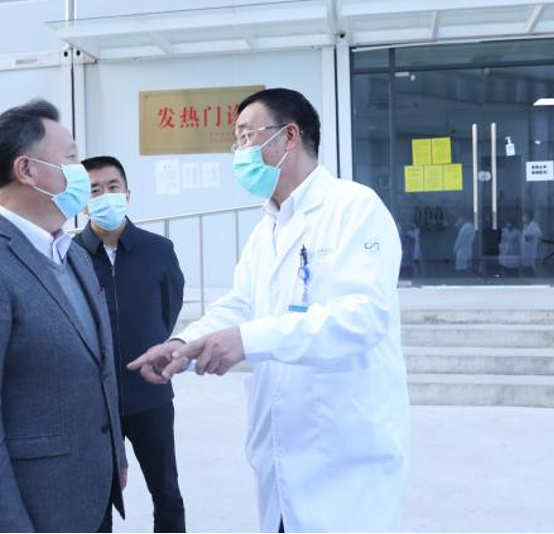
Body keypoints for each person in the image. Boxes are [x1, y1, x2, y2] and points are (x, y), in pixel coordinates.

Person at [126, 88, 409, 532]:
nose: (238, 151)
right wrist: (183, 344)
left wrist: (248, 340)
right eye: (236, 140)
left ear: (288, 136)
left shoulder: (354, 208)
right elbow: (241, 304)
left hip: (344, 459)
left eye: (245, 136)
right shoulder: (267, 227)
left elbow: (362, 317)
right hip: (280, 460)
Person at [0, 99, 126, 532]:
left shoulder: (72, 252)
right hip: (34, 509)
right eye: (70, 158)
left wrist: (115, 458)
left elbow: (97, 367)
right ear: (27, 170)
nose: (81, 171)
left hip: (92, 495)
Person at [73, 156, 188, 532]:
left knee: (166, 492)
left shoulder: (158, 250)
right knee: (95, 500)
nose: (105, 195)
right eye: (94, 190)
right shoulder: (69, 256)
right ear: (83, 202)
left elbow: (169, 308)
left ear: (127, 193)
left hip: (150, 392)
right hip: (93, 401)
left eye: (113, 186)